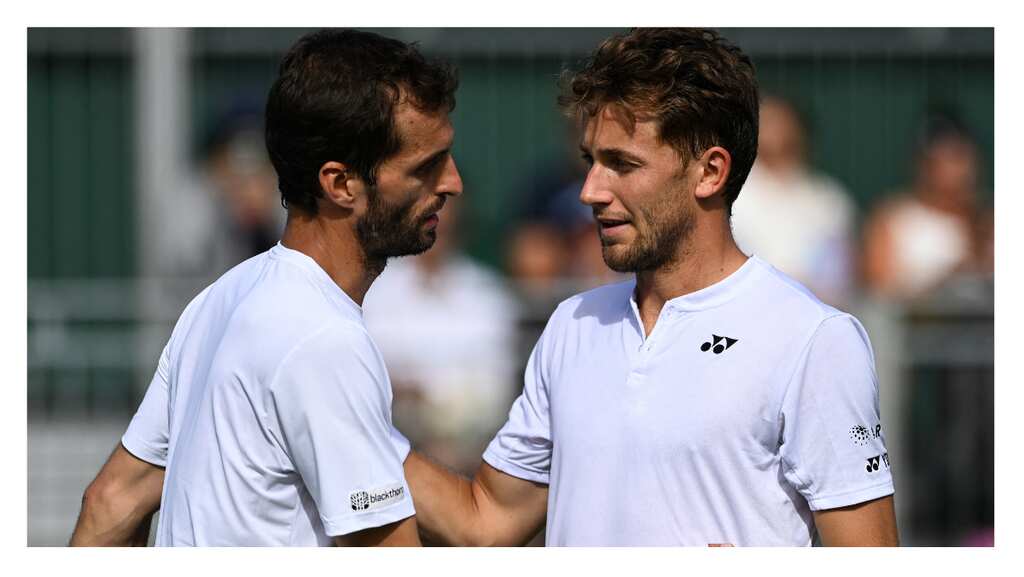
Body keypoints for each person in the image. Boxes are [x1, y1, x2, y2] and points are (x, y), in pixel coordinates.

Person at [404, 28, 899, 546]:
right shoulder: (572, 324)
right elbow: (485, 520)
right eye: (590, 160)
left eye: (622, 163)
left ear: (710, 172)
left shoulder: (814, 338)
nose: (591, 191)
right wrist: (347, 419)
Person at [69, 28, 462, 546]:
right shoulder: (326, 338)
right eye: (425, 166)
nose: (452, 182)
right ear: (340, 184)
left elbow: (110, 501)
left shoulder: (220, 300)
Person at [730, 95, 857, 307]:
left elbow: (838, 276)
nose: (774, 130)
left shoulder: (829, 199)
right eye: (766, 120)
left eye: (780, 121)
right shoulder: (730, 193)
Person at [862, 112, 993, 302]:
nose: (955, 169)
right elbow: (879, 292)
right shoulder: (893, 218)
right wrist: (945, 283)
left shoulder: (990, 215)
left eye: (959, 156)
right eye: (943, 158)